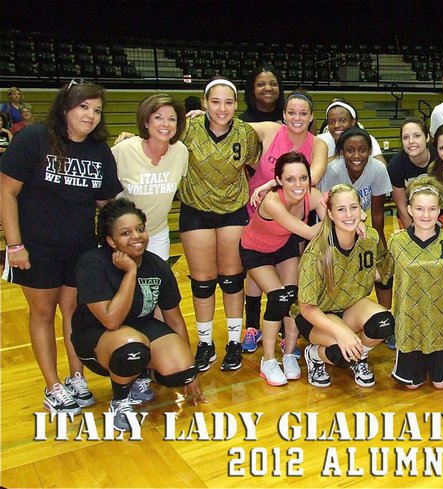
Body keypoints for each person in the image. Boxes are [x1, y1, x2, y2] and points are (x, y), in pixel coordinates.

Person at [1, 79, 122, 414]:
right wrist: (14, 246)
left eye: (97, 110)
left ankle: (76, 377)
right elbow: (6, 193)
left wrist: (124, 235)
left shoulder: (99, 151)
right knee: (42, 314)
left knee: (74, 312)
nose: (91, 115)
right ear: (66, 107)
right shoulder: (34, 139)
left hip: (81, 249)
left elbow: (107, 203)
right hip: (36, 248)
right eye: (84, 107)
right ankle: (52, 384)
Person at [71, 199, 205, 431]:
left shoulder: (157, 266)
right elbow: (111, 321)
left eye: (140, 229)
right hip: (97, 337)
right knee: (132, 348)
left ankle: (139, 375)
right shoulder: (92, 263)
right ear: (111, 241)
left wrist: (191, 371)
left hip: (140, 330)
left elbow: (174, 319)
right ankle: (120, 402)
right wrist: (131, 272)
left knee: (180, 371)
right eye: (125, 233)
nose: (136, 236)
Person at [178, 77, 261, 372]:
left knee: (232, 278)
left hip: (232, 210)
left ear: (236, 105)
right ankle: (205, 343)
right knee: (202, 282)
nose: (222, 108)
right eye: (215, 101)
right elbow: (157, 138)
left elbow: (256, 161)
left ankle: (234, 342)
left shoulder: (245, 133)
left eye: (228, 102)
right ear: (204, 103)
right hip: (196, 209)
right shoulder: (187, 129)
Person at [242, 90, 328, 353]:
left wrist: (274, 181)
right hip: (259, 208)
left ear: (312, 117)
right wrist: (201, 118)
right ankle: (253, 326)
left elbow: (311, 177)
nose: (297, 117)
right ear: (283, 114)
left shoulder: (318, 144)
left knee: (286, 279)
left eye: (303, 113)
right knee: (257, 273)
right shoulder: (270, 130)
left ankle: (281, 329)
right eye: (291, 112)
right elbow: (234, 127)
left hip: (294, 211)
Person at [294, 184, 394, 388]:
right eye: (341, 209)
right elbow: (306, 307)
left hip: (351, 307)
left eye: (354, 207)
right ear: (329, 213)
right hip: (317, 314)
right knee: (341, 353)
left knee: (384, 322)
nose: (349, 215)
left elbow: (385, 271)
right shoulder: (316, 253)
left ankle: (358, 357)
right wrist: (340, 333)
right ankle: (314, 355)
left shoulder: (370, 238)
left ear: (361, 209)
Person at [240, 151, 327, 386]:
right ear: (278, 180)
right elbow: (310, 232)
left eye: (303, 178)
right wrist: (337, 221)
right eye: (290, 179)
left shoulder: (313, 195)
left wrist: (352, 215)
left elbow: (334, 212)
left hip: (283, 245)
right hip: (255, 249)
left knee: (292, 298)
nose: (298, 185)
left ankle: (288, 354)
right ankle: (268, 361)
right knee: (278, 298)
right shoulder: (271, 201)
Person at [383, 177, 443, 389]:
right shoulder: (396, 242)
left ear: (439, 210)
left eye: (431, 209)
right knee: (411, 385)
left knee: (440, 385)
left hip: (441, 324)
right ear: (409, 209)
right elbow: (382, 277)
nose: (426, 215)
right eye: (419, 209)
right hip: (410, 323)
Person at [112, 94, 188, 261]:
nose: (165, 124)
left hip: (157, 234)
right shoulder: (122, 151)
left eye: (172, 119)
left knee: (155, 285)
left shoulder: (181, 151)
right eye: (158, 117)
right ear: (146, 121)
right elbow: (105, 198)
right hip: (123, 235)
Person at [317, 126, 392, 246]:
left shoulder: (378, 169)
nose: (356, 155)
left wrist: (381, 246)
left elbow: (377, 213)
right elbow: (327, 212)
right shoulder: (333, 172)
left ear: (370, 151)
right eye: (350, 150)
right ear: (342, 152)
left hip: (360, 218)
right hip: (333, 220)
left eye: (362, 150)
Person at [387, 117, 437, 229]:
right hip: (410, 216)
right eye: (405, 137)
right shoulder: (395, 165)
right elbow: (401, 206)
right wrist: (414, 235)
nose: (411, 141)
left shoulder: (440, 157)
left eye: (417, 136)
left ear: (427, 137)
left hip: (439, 212)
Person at [318, 99, 386, 163]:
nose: (336, 125)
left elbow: (382, 167)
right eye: (331, 122)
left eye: (342, 120)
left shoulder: (366, 138)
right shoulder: (320, 140)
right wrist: (339, 155)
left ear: (353, 122)